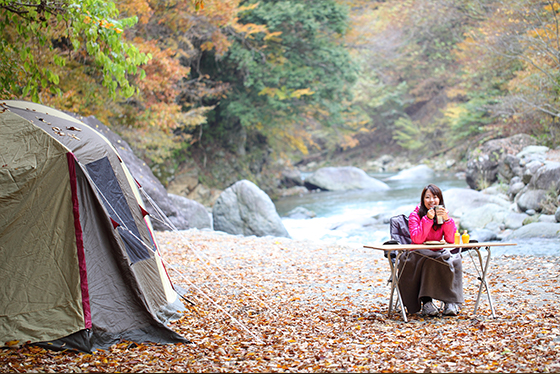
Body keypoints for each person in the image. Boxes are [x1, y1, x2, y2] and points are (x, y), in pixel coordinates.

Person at [398, 184, 463, 317]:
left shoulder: (443, 216)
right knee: (430, 261)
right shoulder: (415, 215)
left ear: (440, 200)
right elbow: (417, 239)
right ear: (423, 200)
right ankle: (426, 302)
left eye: (435, 197)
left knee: (454, 260)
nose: (431, 201)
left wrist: (447, 220)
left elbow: (451, 240)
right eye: (428, 197)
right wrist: (427, 219)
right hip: (416, 253)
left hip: (438, 252)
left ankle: (450, 302)